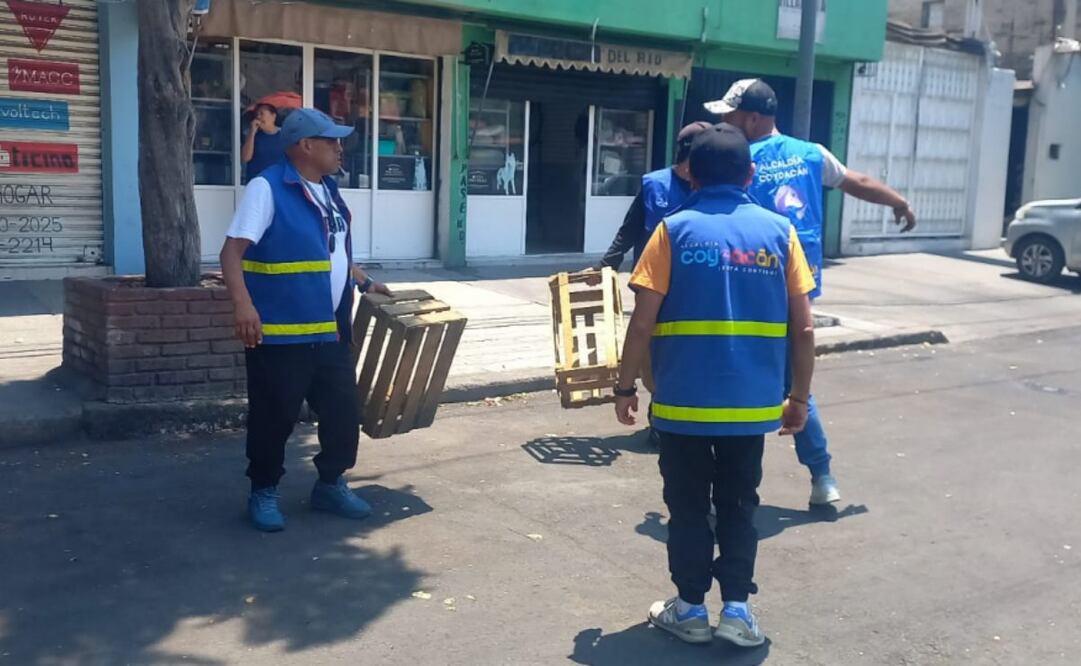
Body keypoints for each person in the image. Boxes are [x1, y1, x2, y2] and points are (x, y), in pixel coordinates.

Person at [614, 123, 817, 648]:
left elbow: (642, 322)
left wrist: (624, 386)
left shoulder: (673, 230)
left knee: (685, 507)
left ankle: (687, 609)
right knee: (738, 505)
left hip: (682, 404)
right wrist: (799, 397)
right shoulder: (780, 233)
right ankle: (737, 612)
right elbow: (806, 327)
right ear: (750, 175)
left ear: (690, 175)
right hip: (750, 408)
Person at [706, 78, 917, 506]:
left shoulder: (740, 157)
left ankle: (732, 485)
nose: (723, 123)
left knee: (739, 377)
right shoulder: (811, 154)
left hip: (752, 278)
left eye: (728, 115)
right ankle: (822, 476)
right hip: (801, 285)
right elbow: (854, 180)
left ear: (750, 117)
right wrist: (897, 200)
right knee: (794, 381)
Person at [220, 108, 392, 533]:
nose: (339, 147)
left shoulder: (329, 190)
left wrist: (363, 279)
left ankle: (330, 484)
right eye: (330, 140)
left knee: (341, 412)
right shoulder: (268, 188)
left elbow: (331, 251)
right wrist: (243, 306)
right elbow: (231, 254)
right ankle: (263, 491)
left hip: (329, 329)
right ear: (304, 146)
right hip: (280, 333)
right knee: (274, 417)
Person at [592, 121, 713, 272]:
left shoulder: (713, 188)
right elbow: (630, 228)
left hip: (690, 276)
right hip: (650, 279)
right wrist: (606, 264)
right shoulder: (654, 184)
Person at [242, 103, 286, 182]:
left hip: (277, 181)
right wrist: (252, 132)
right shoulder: (253, 135)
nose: (258, 117)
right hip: (256, 181)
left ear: (273, 116)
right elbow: (245, 158)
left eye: (262, 114)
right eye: (257, 115)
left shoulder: (284, 135)